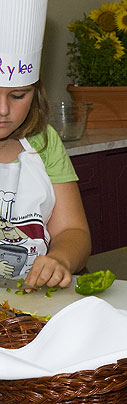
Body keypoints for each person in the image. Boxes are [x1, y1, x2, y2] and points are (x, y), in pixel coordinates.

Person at [0, 0, 91, 289]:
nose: (3, 109)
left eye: (18, 95)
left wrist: (61, 259)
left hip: (32, 308)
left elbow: (72, 230)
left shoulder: (43, 141)